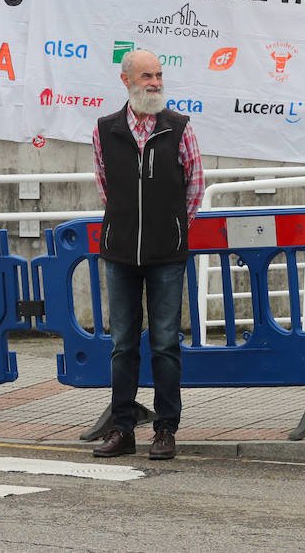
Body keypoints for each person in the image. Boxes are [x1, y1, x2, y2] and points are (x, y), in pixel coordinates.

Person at [91, 48, 203, 460]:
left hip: (166, 256)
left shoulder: (179, 127)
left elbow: (195, 185)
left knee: (165, 344)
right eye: (146, 76)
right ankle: (122, 429)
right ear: (126, 81)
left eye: (158, 75)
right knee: (122, 345)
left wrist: (173, 230)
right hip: (120, 254)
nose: (154, 83)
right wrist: (125, 226)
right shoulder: (105, 129)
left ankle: (165, 429)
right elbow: (105, 186)